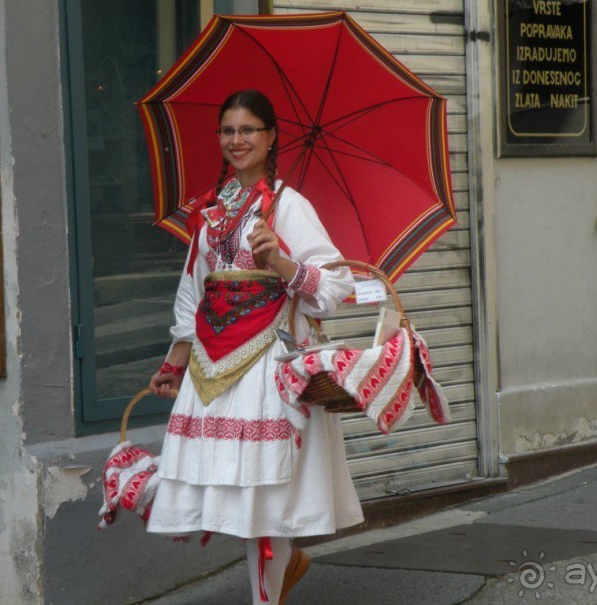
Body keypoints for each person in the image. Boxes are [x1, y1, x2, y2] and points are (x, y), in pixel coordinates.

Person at [146, 89, 364, 604]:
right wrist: (175, 361)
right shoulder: (213, 211)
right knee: (241, 497)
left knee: (263, 499)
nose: (236, 140)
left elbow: (336, 287)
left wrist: (283, 262)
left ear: (270, 138)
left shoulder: (289, 206)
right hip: (213, 369)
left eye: (248, 130)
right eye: (228, 131)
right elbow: (194, 291)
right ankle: (283, 572)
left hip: (268, 366)